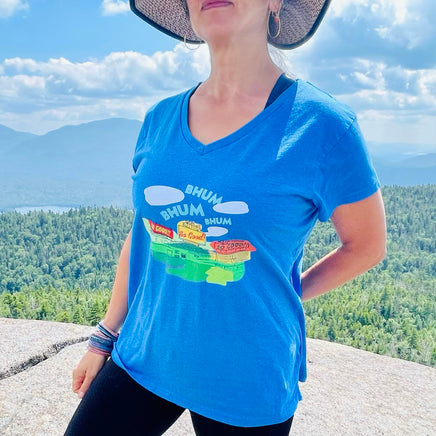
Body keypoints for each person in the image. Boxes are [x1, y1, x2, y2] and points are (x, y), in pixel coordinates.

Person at [65, 0, 386, 435]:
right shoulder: (159, 120)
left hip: (247, 379)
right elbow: (143, 234)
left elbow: (367, 245)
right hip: (144, 356)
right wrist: (105, 335)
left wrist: (292, 292)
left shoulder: (323, 126)